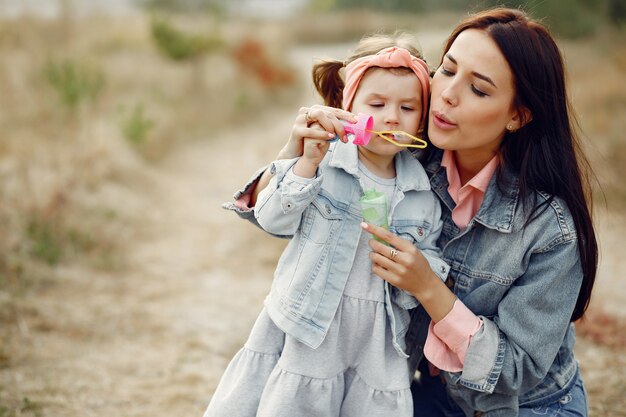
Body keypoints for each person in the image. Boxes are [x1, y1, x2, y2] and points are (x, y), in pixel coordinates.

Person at [223, 8, 598, 416]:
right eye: (448, 69)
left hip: (522, 407)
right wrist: (297, 154)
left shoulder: (552, 230)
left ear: (517, 115)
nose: (449, 94)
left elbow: (515, 372)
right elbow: (275, 220)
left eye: (479, 89)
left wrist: (429, 288)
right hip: (428, 395)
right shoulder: (404, 159)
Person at [204, 32, 451, 417]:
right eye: (377, 103)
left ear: (421, 121)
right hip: (312, 326)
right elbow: (272, 219)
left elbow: (430, 261)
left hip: (378, 341)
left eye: (407, 107)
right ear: (346, 106)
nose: (391, 116)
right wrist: (305, 164)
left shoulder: (422, 194)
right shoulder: (326, 162)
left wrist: (417, 269)